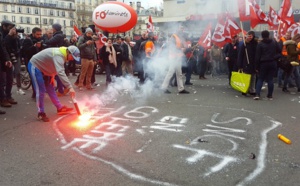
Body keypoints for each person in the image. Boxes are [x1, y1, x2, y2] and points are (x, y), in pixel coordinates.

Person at [27, 46, 78, 122]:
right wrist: (69, 87)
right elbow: (60, 72)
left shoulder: (63, 55)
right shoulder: (59, 55)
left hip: (45, 69)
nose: (72, 59)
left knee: (51, 88)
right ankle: (41, 112)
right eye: (72, 57)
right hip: (35, 66)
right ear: (68, 52)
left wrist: (52, 76)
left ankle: (59, 107)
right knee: (41, 90)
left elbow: (52, 65)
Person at [161, 25, 189, 94]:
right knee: (171, 72)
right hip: (174, 57)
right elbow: (172, 47)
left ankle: (181, 89)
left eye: (182, 28)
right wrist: (181, 49)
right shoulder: (174, 36)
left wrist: (184, 48)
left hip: (177, 57)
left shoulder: (179, 37)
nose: (182, 30)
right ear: (177, 29)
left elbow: (180, 46)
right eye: (181, 28)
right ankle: (163, 87)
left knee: (179, 73)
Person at [254, 30, 280, 100]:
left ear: (262, 36)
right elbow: (279, 51)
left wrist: (256, 66)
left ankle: (257, 94)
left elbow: (257, 56)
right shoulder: (274, 42)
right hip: (272, 62)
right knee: (270, 79)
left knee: (260, 78)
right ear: (268, 35)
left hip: (263, 63)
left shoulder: (260, 44)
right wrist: (275, 58)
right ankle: (270, 95)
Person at [0, 20, 19, 108]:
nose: (11, 29)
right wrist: (8, 36)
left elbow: (15, 48)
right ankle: (2, 99)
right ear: (4, 26)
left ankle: (8, 96)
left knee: (10, 79)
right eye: (9, 27)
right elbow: (3, 44)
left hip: (8, 59)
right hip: (2, 60)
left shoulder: (11, 36)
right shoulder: (2, 34)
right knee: (2, 81)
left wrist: (14, 37)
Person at [22, 27, 44, 99]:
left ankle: (38, 93)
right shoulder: (28, 40)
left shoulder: (40, 40)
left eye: (40, 34)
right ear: (33, 33)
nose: (39, 36)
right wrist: (34, 46)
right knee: (34, 79)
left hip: (39, 62)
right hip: (30, 62)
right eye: (37, 34)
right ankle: (35, 94)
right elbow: (25, 51)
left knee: (39, 78)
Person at [238, 31, 258, 96]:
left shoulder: (256, 44)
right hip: (246, 63)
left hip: (254, 63)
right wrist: (240, 65)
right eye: (248, 36)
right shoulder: (244, 44)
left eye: (251, 36)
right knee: (246, 77)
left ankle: (252, 90)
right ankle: (245, 89)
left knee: (253, 77)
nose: (249, 37)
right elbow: (240, 55)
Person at [0, 20, 12, 113]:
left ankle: (5, 97)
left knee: (4, 80)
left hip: (2, 61)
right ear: (4, 26)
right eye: (9, 27)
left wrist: (7, 59)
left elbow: (2, 47)